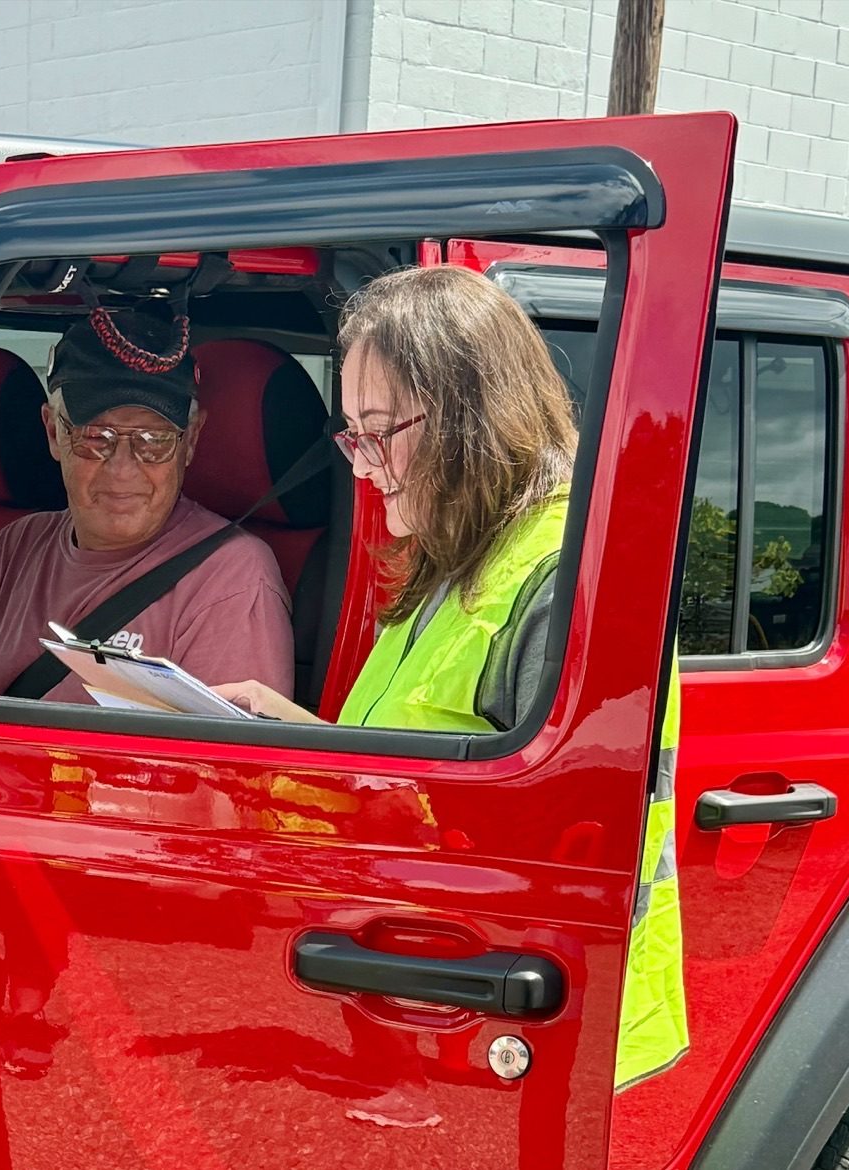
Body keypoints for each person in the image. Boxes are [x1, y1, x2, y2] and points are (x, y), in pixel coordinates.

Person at [216, 265, 688, 1093]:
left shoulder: (565, 579)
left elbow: (549, 849)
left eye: (379, 431)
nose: (362, 467)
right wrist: (291, 732)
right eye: (351, 435)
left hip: (545, 1026)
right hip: (445, 995)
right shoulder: (456, 557)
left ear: (470, 418)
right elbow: (418, 759)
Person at [0, 308, 295, 704]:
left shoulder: (231, 579)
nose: (122, 469)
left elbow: (217, 745)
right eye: (96, 437)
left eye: (153, 440)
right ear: (53, 432)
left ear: (191, 440)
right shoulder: (11, 551)